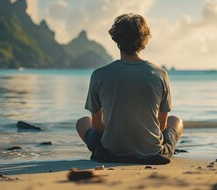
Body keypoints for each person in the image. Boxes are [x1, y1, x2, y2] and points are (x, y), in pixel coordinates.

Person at [76, 13, 183, 164]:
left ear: (116, 39)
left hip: (109, 154)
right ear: (144, 40)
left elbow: (97, 127)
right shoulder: (160, 74)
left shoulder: (99, 75)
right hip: (152, 155)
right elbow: (162, 126)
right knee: (176, 121)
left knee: (82, 122)